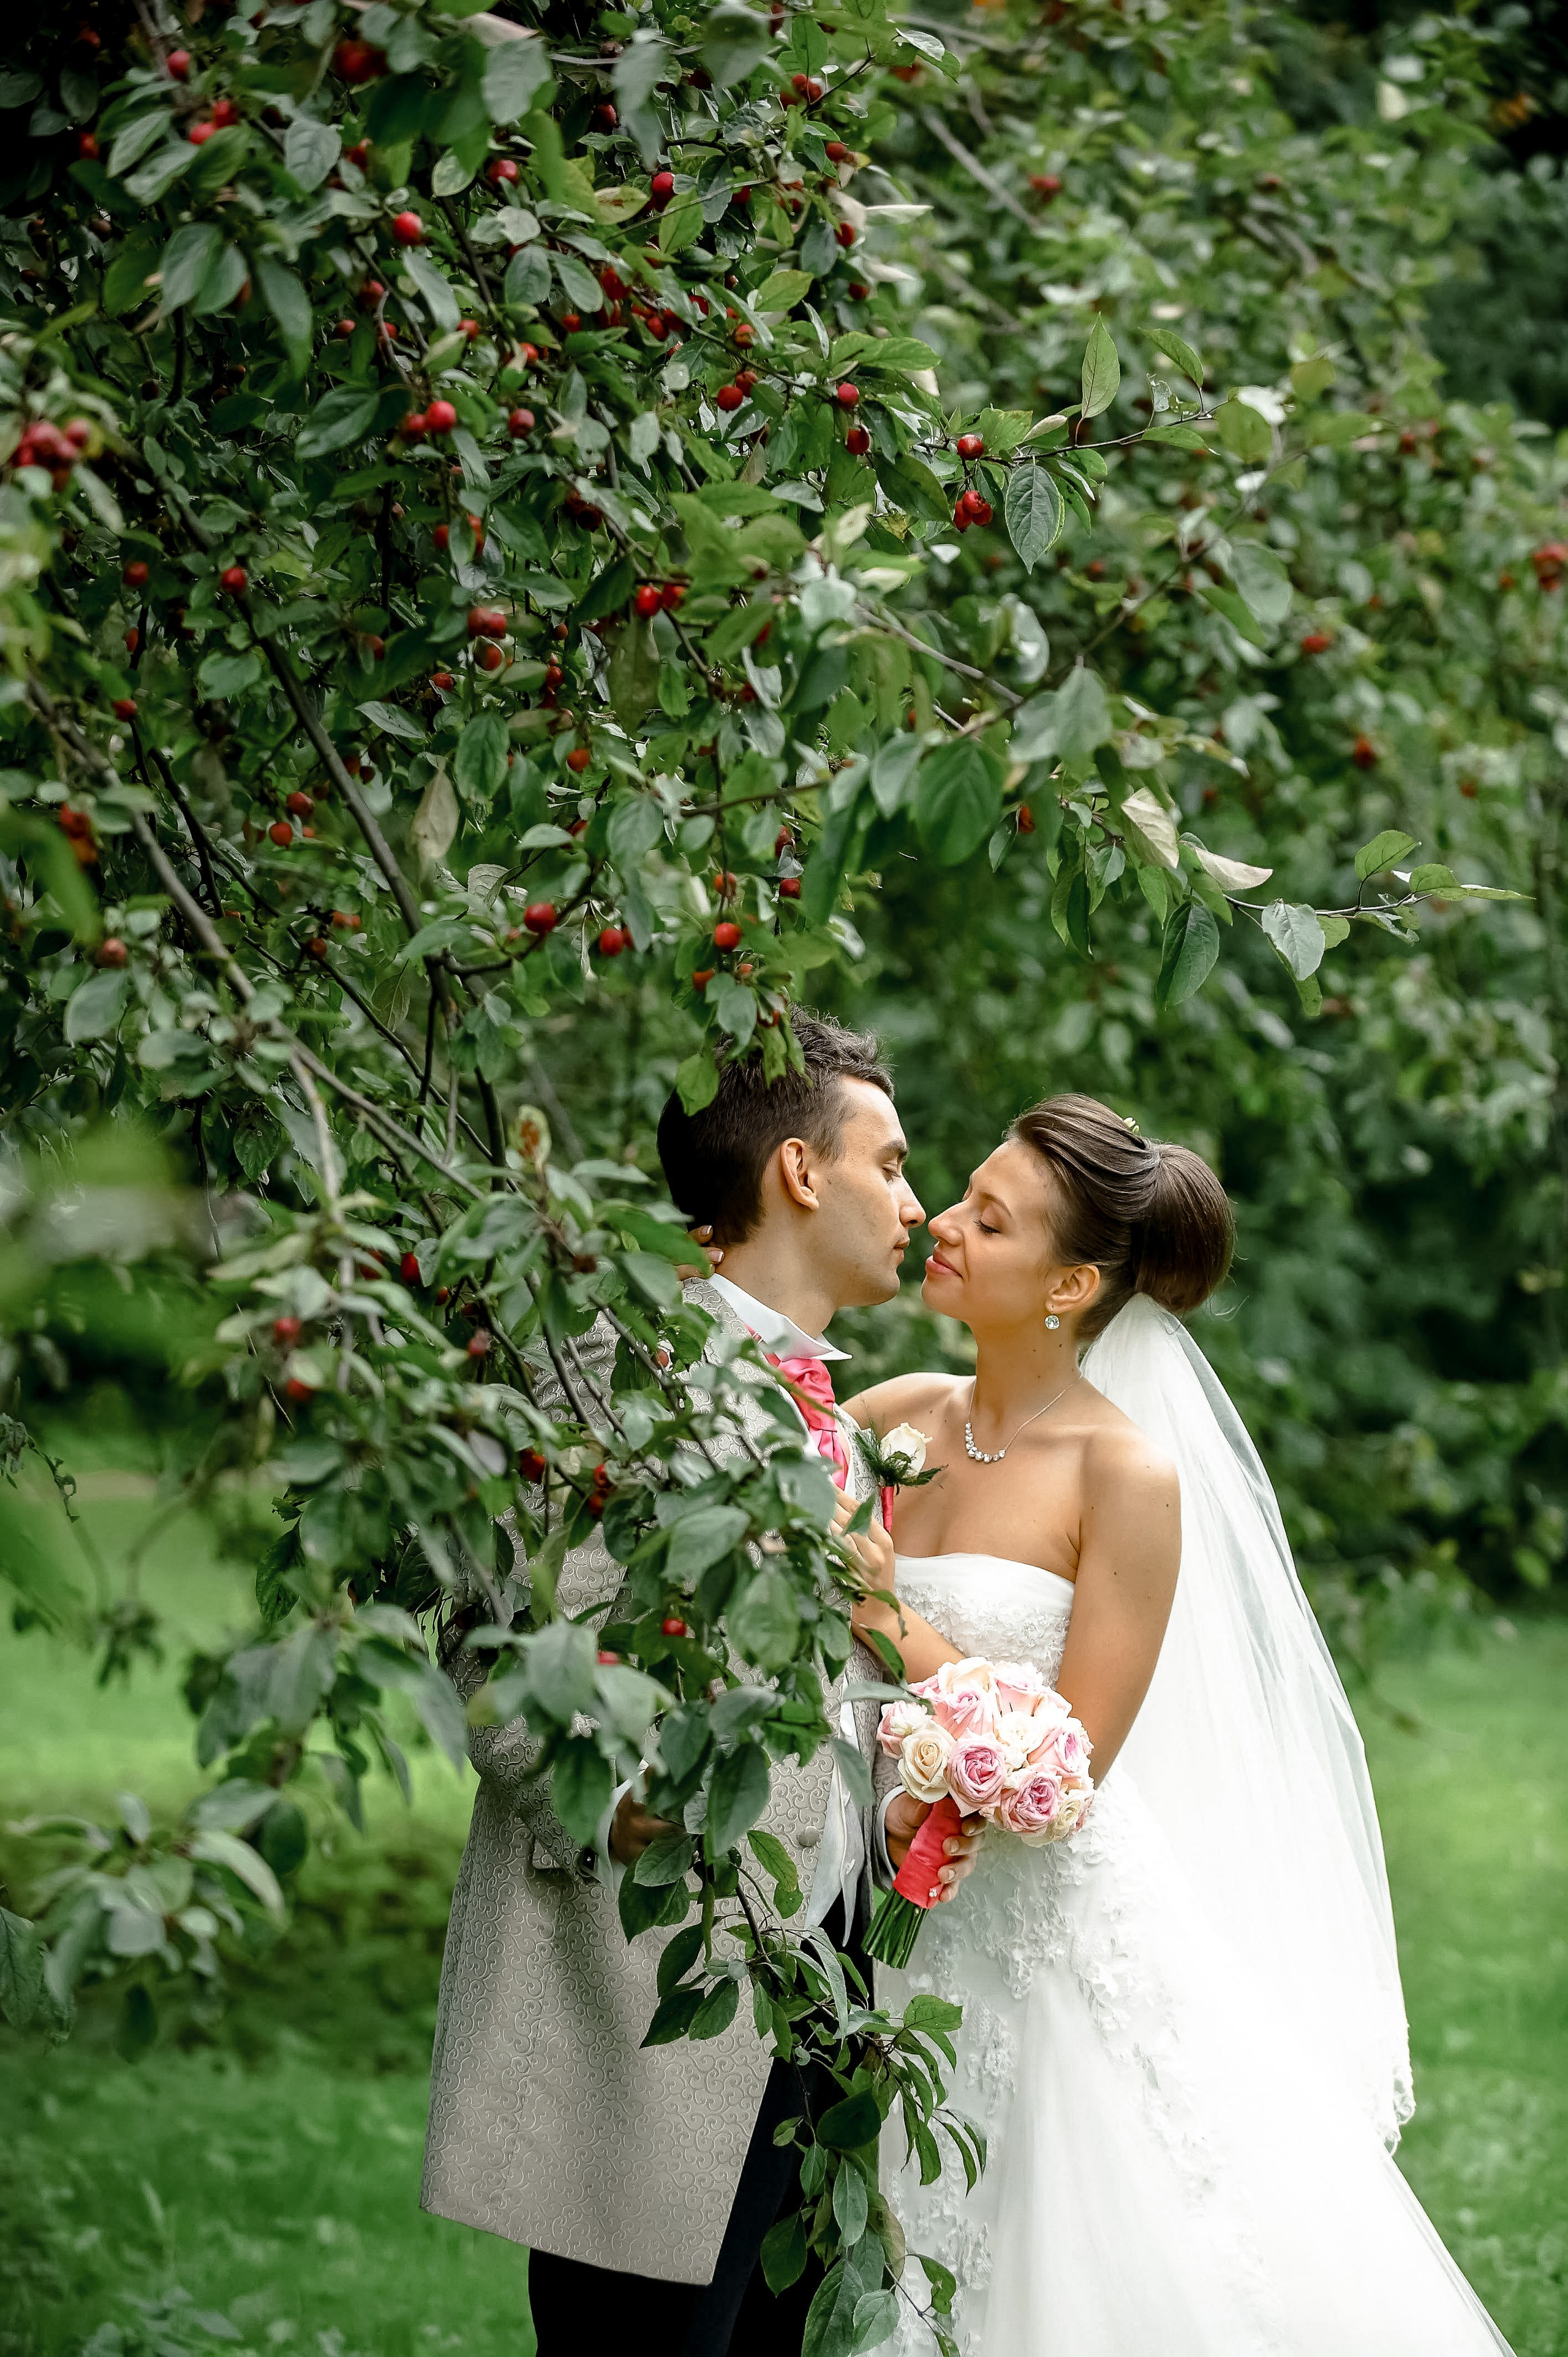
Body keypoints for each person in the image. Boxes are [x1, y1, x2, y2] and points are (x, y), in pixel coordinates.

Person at [837, 1093, 1512, 2357]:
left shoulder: (1121, 1474)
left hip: (1039, 1937)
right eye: (962, 1193)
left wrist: (882, 1616)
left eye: (989, 1220)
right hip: (874, 1905)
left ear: (1069, 1282)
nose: (941, 1224)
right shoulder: (887, 1420)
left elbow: (1066, 1762)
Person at [421, 1013, 974, 2357]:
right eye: (890, 1165)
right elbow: (489, 1631)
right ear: (798, 1170)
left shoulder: (836, 1418)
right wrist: (607, 1805)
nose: (914, 1203)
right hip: (645, 1982)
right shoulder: (609, 1362)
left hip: (824, 1985)